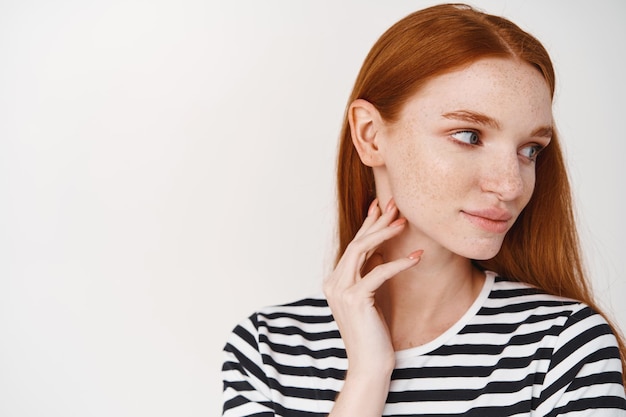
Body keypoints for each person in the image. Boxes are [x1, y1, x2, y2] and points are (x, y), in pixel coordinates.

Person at [221, 3, 626, 416]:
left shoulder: (564, 347)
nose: (511, 185)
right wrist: (368, 373)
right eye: (469, 135)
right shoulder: (268, 351)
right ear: (371, 135)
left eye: (529, 150)